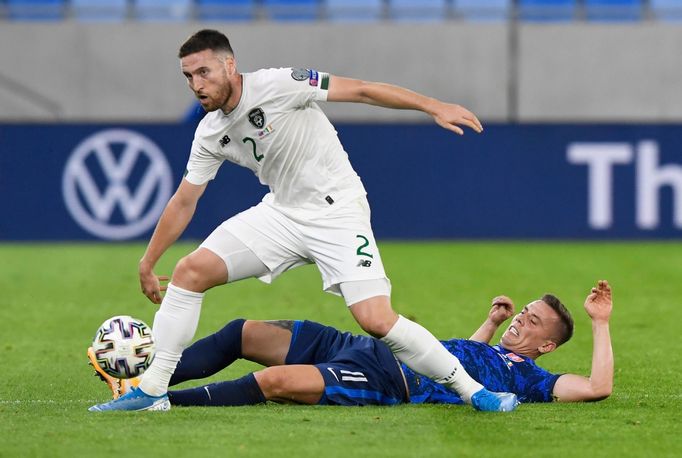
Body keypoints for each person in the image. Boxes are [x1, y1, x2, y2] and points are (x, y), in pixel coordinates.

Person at [89, 29, 516, 412]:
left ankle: (473, 391)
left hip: (338, 212)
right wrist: (148, 261)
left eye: (203, 72)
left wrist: (432, 105)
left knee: (376, 320)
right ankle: (152, 391)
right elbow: (184, 201)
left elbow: (363, 90)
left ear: (229, 65)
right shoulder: (209, 132)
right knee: (190, 271)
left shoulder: (279, 84)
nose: (196, 85)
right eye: (188, 77)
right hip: (282, 213)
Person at [89, 281, 614, 407]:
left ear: (547, 345)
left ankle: (156, 401)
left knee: (274, 383)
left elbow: (596, 387)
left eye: (534, 320)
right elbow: (456, 358)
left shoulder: (531, 378)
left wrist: (599, 322)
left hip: (393, 377)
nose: (523, 317)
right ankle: (145, 378)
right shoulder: (497, 351)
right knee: (243, 332)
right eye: (526, 310)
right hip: (371, 344)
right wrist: (490, 324)